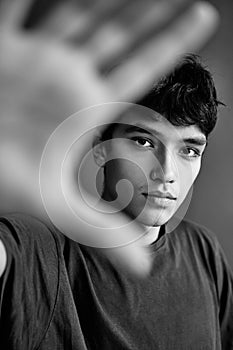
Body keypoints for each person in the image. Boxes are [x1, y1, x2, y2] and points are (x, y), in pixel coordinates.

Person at [0, 54, 233, 349]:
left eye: (189, 150)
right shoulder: (43, 246)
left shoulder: (204, 250)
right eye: (143, 141)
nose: (167, 173)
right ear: (100, 147)